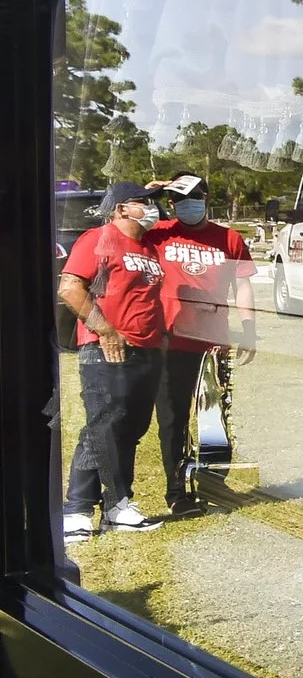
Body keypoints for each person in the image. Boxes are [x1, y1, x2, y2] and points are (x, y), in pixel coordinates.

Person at [58, 183, 169, 539]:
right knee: (102, 427)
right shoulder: (98, 238)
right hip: (106, 347)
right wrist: (105, 330)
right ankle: (76, 509)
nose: (152, 208)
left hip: (146, 348)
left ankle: (118, 505)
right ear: (121, 208)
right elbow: (70, 287)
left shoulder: (149, 245)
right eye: (144, 202)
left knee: (130, 429)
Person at [146, 173, 255, 516]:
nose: (186, 205)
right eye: (179, 199)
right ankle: (176, 490)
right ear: (171, 203)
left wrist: (248, 328)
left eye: (193, 197)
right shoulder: (160, 234)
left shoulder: (229, 238)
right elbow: (124, 221)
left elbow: (244, 286)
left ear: (206, 200)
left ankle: (212, 480)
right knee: (172, 418)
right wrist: (149, 194)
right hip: (172, 339)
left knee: (214, 415)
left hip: (213, 342)